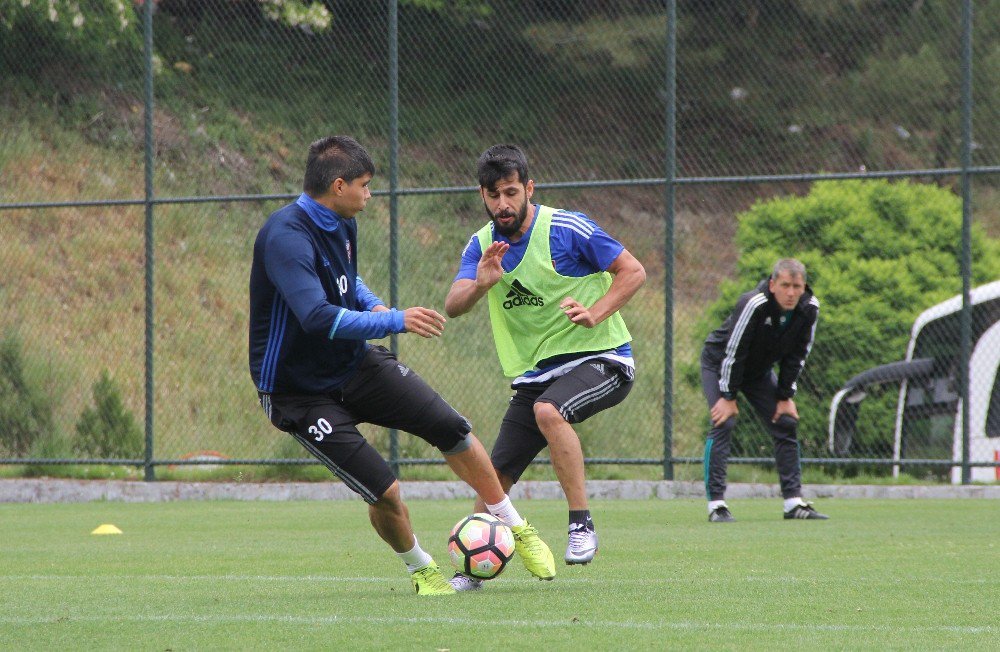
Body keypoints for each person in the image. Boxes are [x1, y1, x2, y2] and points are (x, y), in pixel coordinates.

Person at [248, 136, 556, 596]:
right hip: (299, 393)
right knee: (385, 491)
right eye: (365, 185)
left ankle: (515, 525)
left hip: (353, 364)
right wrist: (395, 320)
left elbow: (346, 281)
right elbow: (313, 315)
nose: (370, 195)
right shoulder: (285, 237)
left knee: (453, 428)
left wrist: (373, 304)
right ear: (338, 185)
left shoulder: (341, 220)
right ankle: (423, 570)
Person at [444, 143, 645, 589]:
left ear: (529, 188)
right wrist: (480, 284)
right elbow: (453, 305)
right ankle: (472, 571)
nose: (503, 204)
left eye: (511, 192)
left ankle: (581, 524)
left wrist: (598, 312)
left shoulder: (567, 228)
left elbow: (633, 271)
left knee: (548, 411)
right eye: (494, 195)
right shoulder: (481, 245)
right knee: (493, 480)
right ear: (482, 195)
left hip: (603, 359)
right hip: (538, 376)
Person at [700, 258, 828, 522]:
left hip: (757, 372)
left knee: (786, 422)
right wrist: (727, 396)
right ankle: (717, 506)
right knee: (725, 421)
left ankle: (793, 504)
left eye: (797, 286)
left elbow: (798, 356)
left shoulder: (809, 309)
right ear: (773, 285)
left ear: (804, 287)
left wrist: (785, 397)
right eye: (785, 285)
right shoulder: (754, 304)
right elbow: (734, 353)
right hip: (719, 363)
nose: (791, 293)